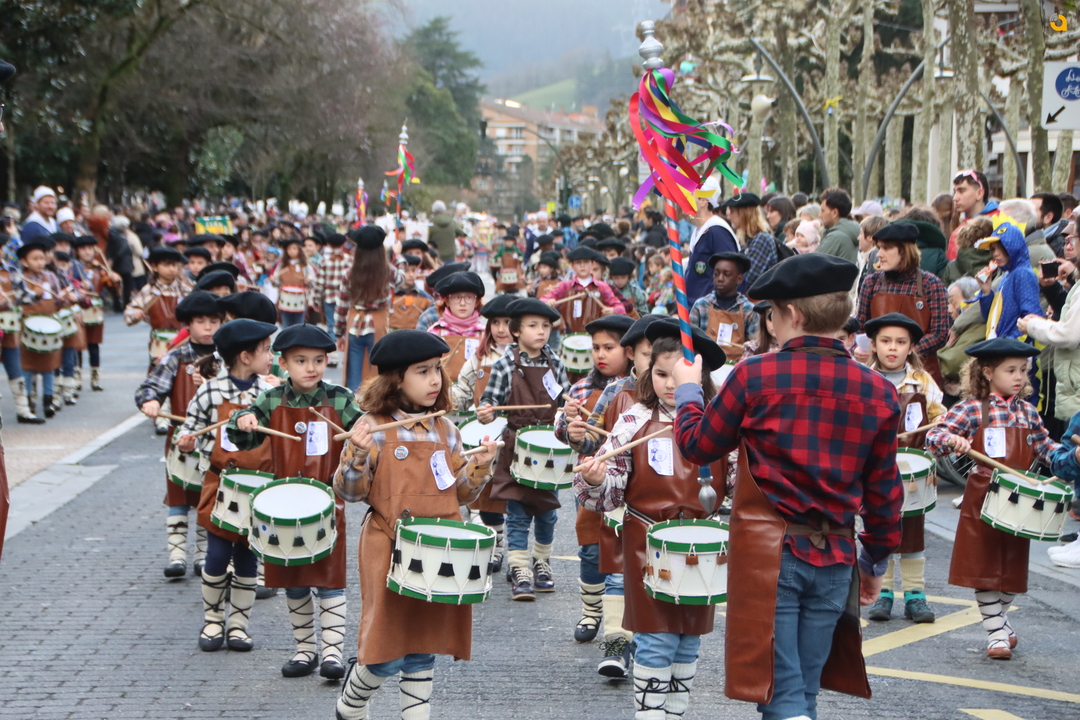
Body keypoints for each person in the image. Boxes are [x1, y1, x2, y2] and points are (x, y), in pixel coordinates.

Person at [671, 252, 903, 720]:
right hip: (836, 554)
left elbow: (697, 446)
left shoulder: (753, 375)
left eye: (772, 314)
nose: (770, 323)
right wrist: (875, 558)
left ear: (792, 315)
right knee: (801, 691)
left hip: (770, 554)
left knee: (782, 694)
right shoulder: (880, 390)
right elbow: (884, 491)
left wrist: (689, 390)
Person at [332, 330, 498, 720]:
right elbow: (350, 493)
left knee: (425, 643)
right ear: (395, 379)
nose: (435, 379)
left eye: (437, 369)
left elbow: (460, 494)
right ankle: (351, 704)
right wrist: (355, 453)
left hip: (437, 550)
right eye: (422, 371)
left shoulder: (446, 430)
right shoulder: (371, 428)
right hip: (387, 546)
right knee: (386, 647)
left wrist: (480, 467)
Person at [575, 318, 728, 720]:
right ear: (649, 373)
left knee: (689, 639)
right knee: (656, 638)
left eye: (680, 376)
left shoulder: (718, 422)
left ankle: (673, 714)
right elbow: (610, 487)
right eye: (661, 374)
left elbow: (735, 482)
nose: (670, 384)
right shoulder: (634, 419)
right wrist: (596, 479)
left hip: (701, 545)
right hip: (648, 542)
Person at [227, 324, 362, 679]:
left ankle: (332, 654)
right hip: (285, 505)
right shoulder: (272, 399)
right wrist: (243, 419)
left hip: (328, 502)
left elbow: (365, 428)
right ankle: (305, 650)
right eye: (300, 360)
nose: (311, 368)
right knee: (294, 578)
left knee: (330, 577)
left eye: (318, 360)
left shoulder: (339, 397)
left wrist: (364, 433)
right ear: (283, 363)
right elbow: (240, 434)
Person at [925, 338, 1060, 660]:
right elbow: (934, 437)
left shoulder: (1028, 412)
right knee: (984, 566)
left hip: (1019, 497)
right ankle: (996, 633)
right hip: (983, 496)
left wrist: (1070, 458)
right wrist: (953, 439)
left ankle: (1001, 622)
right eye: (1011, 370)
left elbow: (1046, 449)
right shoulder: (971, 408)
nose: (1019, 376)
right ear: (987, 372)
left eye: (1024, 370)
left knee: (1012, 569)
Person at [175, 319, 278, 653]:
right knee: (217, 555)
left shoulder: (269, 393)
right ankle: (213, 620)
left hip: (259, 488)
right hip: (220, 484)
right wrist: (186, 440)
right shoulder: (209, 391)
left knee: (248, 557)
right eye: (266, 350)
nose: (272, 357)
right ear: (245, 356)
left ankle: (238, 625)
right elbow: (189, 427)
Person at [477, 298, 570, 600]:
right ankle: (519, 568)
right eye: (533, 326)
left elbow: (567, 400)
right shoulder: (505, 364)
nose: (541, 331)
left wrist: (572, 409)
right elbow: (489, 402)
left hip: (549, 448)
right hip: (516, 446)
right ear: (516, 331)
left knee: (547, 512)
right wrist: (486, 411)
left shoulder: (556, 363)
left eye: (545, 326)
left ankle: (542, 562)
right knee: (516, 511)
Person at [860, 312, 945, 624]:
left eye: (900, 342)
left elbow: (939, 416)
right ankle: (883, 592)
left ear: (910, 347)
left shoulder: (922, 381)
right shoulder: (864, 378)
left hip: (913, 469)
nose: (892, 348)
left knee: (912, 532)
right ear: (874, 345)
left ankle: (915, 595)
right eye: (885, 341)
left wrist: (937, 435)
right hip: (875, 468)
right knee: (880, 526)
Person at [554, 315, 633, 643]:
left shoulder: (641, 389)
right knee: (589, 547)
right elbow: (562, 430)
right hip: (590, 480)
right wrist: (569, 427)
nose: (600, 354)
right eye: (596, 348)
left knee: (622, 551)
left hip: (627, 484)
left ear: (629, 350)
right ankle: (591, 611)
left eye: (609, 347)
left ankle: (621, 627)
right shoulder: (581, 387)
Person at [135, 291, 223, 578]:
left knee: (207, 496)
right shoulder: (176, 356)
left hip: (215, 438)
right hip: (181, 435)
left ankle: (202, 555)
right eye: (200, 321)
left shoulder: (227, 357)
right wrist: (151, 400)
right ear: (188, 324)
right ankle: (176, 556)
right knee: (178, 495)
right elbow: (150, 386)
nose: (208, 327)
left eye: (214, 321)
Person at [855, 221, 950, 383]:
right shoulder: (871, 283)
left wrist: (904, 352)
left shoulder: (930, 284)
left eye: (886, 248)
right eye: (879, 248)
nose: (879, 254)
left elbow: (939, 334)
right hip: (878, 373)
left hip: (921, 374)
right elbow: (861, 327)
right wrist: (864, 347)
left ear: (905, 251)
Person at [334, 226, 399, 391]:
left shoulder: (350, 273)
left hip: (355, 323)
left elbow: (341, 304)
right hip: (378, 324)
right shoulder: (388, 271)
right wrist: (397, 255)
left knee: (353, 373)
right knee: (378, 371)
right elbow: (401, 280)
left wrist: (339, 333)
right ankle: (376, 400)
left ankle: (354, 401)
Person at [18, 239, 75, 418]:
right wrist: (34, 294)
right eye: (35, 259)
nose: (40, 262)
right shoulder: (20, 279)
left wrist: (64, 299)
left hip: (49, 325)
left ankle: (48, 400)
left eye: (42, 258)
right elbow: (17, 300)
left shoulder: (50, 277)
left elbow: (56, 300)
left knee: (49, 365)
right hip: (28, 327)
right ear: (24, 261)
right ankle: (28, 400)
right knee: (27, 366)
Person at [124, 246, 193, 365]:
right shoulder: (149, 290)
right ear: (155, 267)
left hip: (183, 340)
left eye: (174, 265)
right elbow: (130, 311)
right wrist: (135, 315)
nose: (172, 269)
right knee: (158, 372)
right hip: (158, 343)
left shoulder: (185, 290)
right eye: (167, 265)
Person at [973, 220, 1041, 340]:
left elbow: (1032, 319)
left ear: (1014, 246)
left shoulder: (1023, 274)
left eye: (1002, 247)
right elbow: (992, 321)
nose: (996, 254)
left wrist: (1008, 344)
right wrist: (986, 291)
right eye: (993, 249)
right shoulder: (1007, 275)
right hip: (1000, 345)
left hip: (1012, 349)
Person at [540, 246, 626, 336]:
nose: (582, 266)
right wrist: (549, 302)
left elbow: (621, 308)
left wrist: (613, 310)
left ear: (592, 264)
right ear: (572, 265)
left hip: (596, 336)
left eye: (586, 262)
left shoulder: (602, 287)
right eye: (578, 262)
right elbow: (542, 301)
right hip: (569, 336)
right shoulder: (565, 286)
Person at [688, 252, 758, 361]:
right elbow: (690, 342)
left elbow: (754, 347)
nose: (720, 278)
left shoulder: (749, 310)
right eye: (716, 274)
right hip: (706, 365)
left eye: (727, 274)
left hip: (737, 367)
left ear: (739, 279)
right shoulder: (701, 306)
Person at [685, 178, 739, 305]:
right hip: (695, 308)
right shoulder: (699, 231)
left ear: (703, 200)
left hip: (710, 310)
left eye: (689, 194)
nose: (684, 199)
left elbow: (730, 273)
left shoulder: (717, 232)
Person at [427, 271, 486, 382]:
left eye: (469, 297)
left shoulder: (485, 334)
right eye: (456, 297)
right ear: (447, 301)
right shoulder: (434, 332)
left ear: (476, 302)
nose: (462, 303)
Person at [727, 193, 781, 294]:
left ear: (743, 213)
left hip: (759, 299)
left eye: (732, 212)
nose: (729, 217)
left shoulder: (762, 239)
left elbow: (748, 278)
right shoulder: (744, 238)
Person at [313, 231, 351, 357]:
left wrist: (316, 300)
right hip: (346, 297)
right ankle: (344, 348)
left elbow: (319, 283)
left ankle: (333, 352)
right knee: (345, 322)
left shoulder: (324, 261)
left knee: (331, 323)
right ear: (343, 244)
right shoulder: (349, 260)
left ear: (328, 244)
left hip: (329, 296)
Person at [948, 169, 999, 261]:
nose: (955, 198)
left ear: (979, 193)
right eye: (954, 192)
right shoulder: (957, 232)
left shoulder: (1000, 223)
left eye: (961, 191)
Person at [271, 237, 316, 329]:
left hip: (300, 300)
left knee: (299, 325)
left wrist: (309, 281)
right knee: (286, 325)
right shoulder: (282, 265)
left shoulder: (305, 266)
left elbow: (313, 282)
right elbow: (277, 283)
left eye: (294, 249)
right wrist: (273, 280)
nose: (291, 251)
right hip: (285, 299)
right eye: (289, 249)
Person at [816, 187, 860, 263]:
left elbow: (814, 263)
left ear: (834, 213)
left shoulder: (835, 237)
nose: (820, 215)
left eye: (823, 211)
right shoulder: (850, 231)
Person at [428, 200, 461, 264]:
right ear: (444, 210)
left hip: (436, 256)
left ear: (433, 211)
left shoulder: (431, 223)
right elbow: (461, 233)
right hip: (450, 255)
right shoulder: (452, 222)